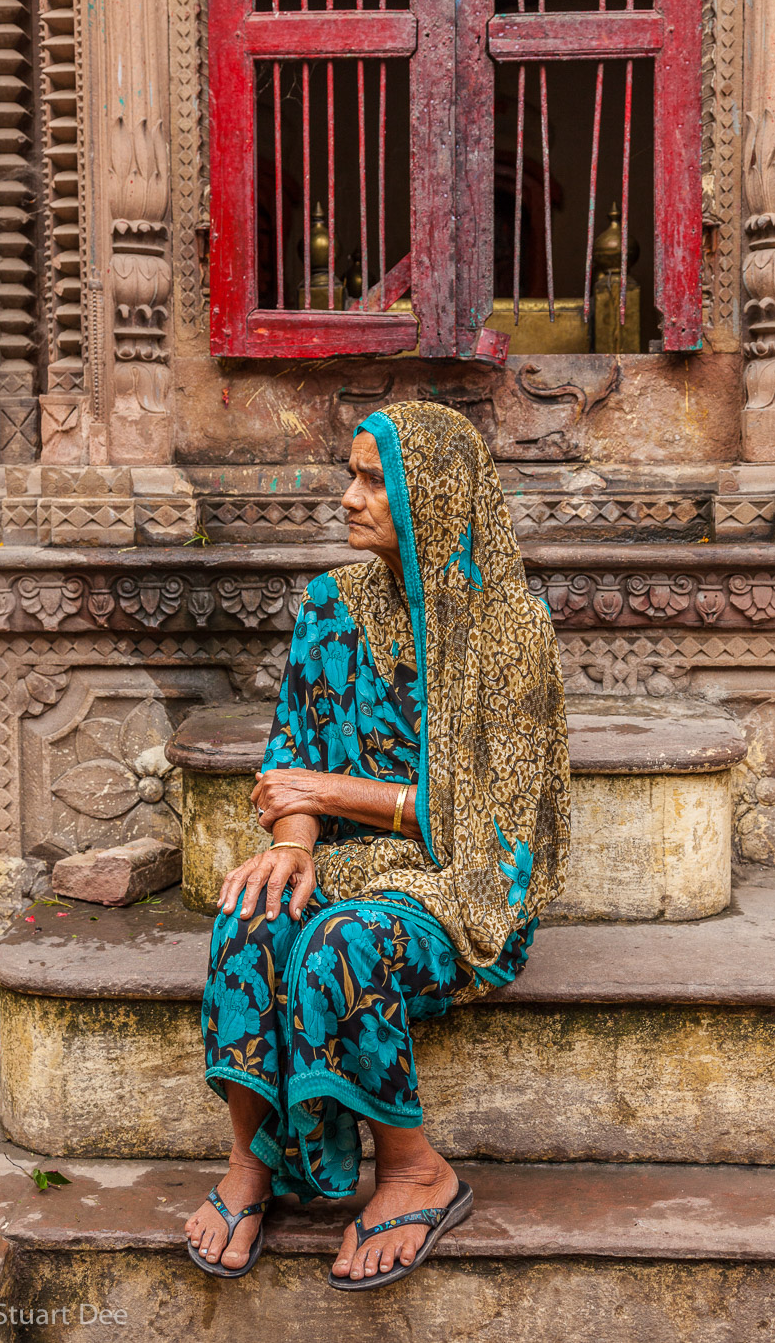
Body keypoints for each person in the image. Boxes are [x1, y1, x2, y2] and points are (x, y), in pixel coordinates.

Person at [185, 401, 571, 1290]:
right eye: (352, 474)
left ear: (428, 498)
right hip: (349, 859)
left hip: (463, 882)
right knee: (252, 916)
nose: (349, 497)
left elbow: (494, 821)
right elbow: (296, 754)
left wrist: (330, 795)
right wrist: (293, 842)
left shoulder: (510, 629)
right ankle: (253, 1161)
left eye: (373, 480)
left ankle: (413, 1170)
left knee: (338, 944)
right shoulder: (332, 605)